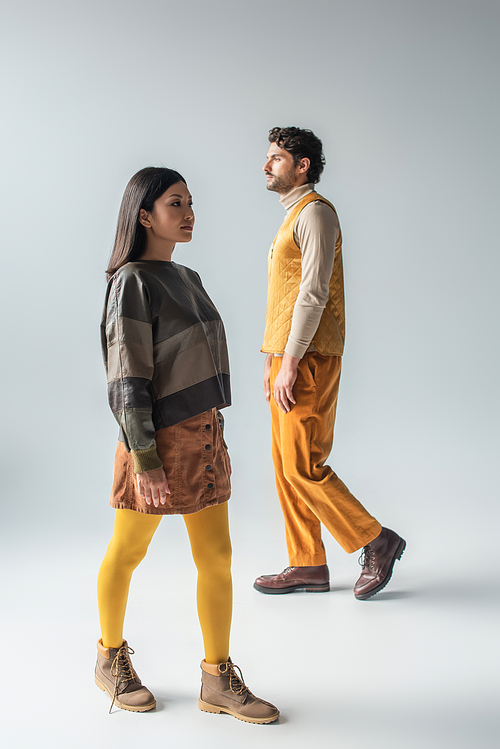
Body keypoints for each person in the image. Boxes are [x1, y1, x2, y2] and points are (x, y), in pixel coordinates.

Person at [96, 166, 279, 724]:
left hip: (205, 433)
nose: (189, 213)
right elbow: (126, 378)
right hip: (157, 438)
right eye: (176, 204)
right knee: (128, 551)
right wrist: (145, 457)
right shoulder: (132, 281)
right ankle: (109, 659)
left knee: (217, 557)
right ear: (144, 215)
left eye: (191, 202)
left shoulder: (187, 276)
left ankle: (217, 679)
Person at [254, 127, 405, 600]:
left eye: (276, 157)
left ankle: (376, 540)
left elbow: (314, 292)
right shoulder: (292, 216)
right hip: (289, 356)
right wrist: (273, 357)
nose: (266, 165)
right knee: (284, 465)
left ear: (303, 165)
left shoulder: (316, 214)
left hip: (311, 355)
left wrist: (292, 359)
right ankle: (307, 564)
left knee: (303, 465)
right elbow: (284, 295)